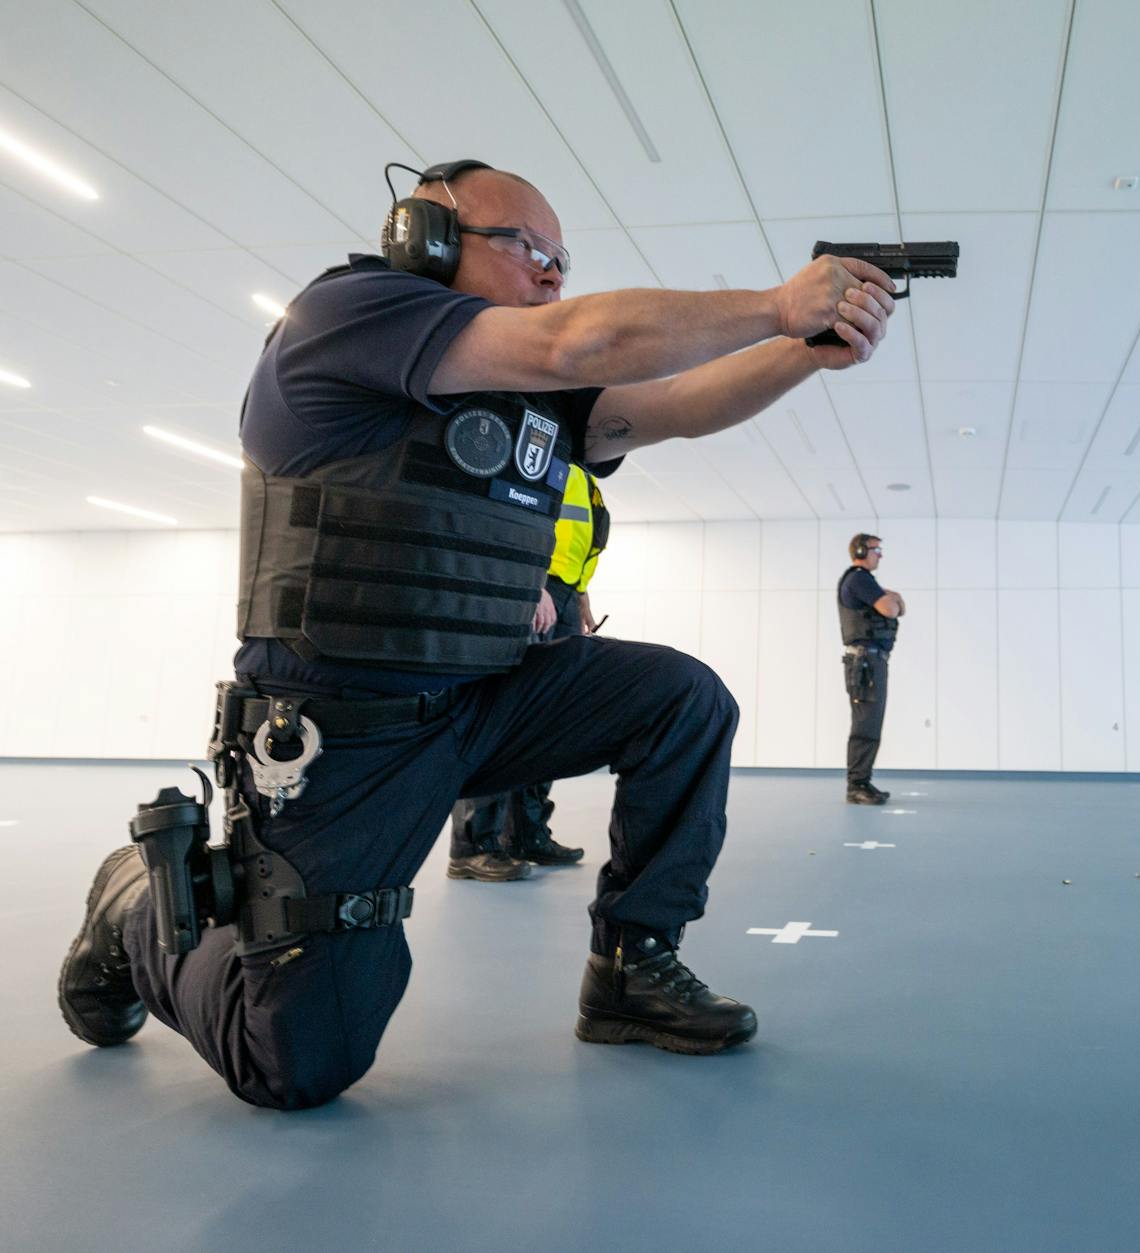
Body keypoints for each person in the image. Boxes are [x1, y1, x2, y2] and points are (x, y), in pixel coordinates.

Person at [57, 159, 898, 1110]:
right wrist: (778, 304)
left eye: (562, 262)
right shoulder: (352, 314)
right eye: (531, 250)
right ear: (430, 235)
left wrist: (807, 347)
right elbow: (581, 342)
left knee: (683, 698)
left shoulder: (534, 396)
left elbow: (674, 410)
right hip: (347, 728)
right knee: (294, 1062)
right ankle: (130, 901)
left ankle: (631, 965)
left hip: (486, 696)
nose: (552, 275)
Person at [447, 459, 611, 881]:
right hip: (526, 584)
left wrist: (579, 593)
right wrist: (529, 582)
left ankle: (525, 834)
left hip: (562, 592)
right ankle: (473, 846)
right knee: (501, 713)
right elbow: (509, 517)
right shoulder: (538, 458)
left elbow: (577, 542)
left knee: (548, 720)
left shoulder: (584, 476)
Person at [837, 533, 905, 804]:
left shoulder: (866, 581)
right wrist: (894, 598)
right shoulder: (858, 578)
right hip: (864, 663)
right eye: (877, 549)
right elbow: (890, 609)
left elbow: (901, 608)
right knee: (865, 723)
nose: (880, 555)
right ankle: (856, 786)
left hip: (871, 661)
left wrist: (896, 598)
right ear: (862, 550)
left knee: (871, 722)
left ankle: (863, 781)